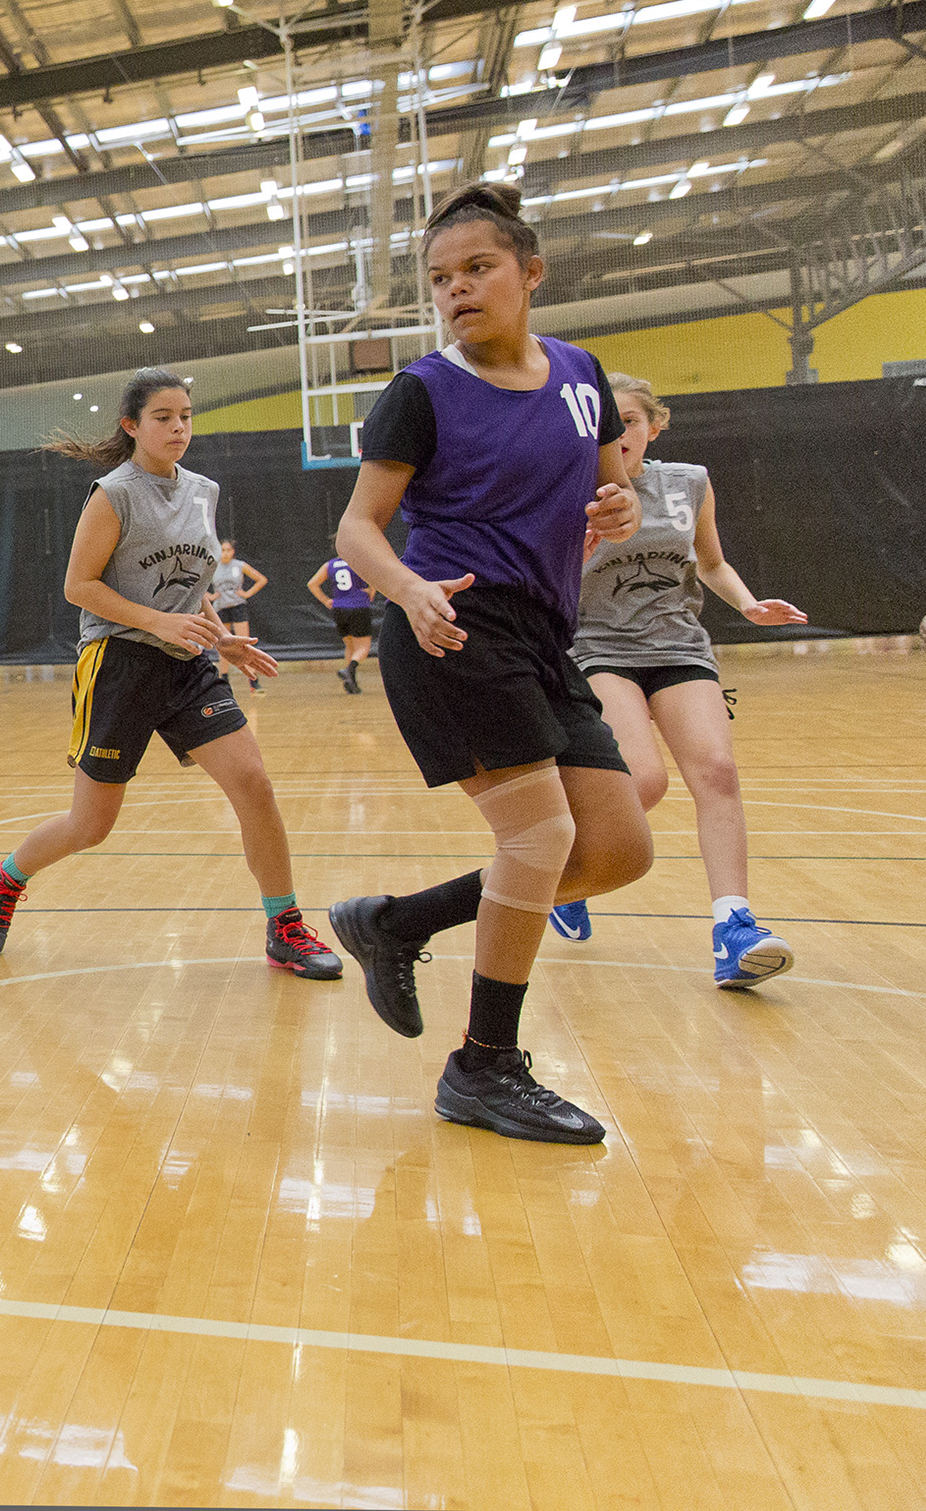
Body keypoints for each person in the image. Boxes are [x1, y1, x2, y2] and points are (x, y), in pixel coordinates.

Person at [326, 181, 655, 1146]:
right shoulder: (422, 392)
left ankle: (399, 922)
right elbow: (357, 527)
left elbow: (610, 492)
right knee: (541, 840)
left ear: (531, 273)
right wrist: (406, 588)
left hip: (545, 635)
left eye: (478, 269)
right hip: (453, 625)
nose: (457, 290)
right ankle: (485, 1065)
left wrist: (620, 507)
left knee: (618, 850)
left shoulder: (583, 374)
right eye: (440, 279)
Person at [0, 368, 341, 983]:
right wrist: (157, 624)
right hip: (119, 663)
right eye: (164, 417)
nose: (178, 428)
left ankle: (284, 926)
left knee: (254, 785)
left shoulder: (203, 491)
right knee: (92, 825)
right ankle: (3, 879)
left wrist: (222, 640)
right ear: (132, 425)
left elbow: (192, 586)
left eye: (186, 416)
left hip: (187, 661)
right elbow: (77, 587)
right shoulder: (113, 493)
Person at [557, 373, 809, 985]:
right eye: (605, 425)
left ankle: (734, 926)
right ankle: (571, 875)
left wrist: (747, 604)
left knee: (717, 771)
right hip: (600, 646)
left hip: (679, 644)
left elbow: (712, 561)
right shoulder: (566, 491)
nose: (618, 437)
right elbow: (547, 578)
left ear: (654, 426)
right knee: (641, 780)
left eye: (631, 422)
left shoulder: (689, 482)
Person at [304, 552, 379, 693]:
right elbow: (374, 577)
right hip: (358, 606)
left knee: (350, 646)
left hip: (339, 609)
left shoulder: (330, 564)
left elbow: (312, 584)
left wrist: (326, 600)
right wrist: (371, 590)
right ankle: (348, 670)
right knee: (363, 647)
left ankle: (351, 682)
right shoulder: (359, 560)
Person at [210, 540, 268, 692]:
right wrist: (209, 596)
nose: (225, 553)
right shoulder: (213, 565)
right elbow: (196, 583)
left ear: (233, 551)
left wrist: (247, 593)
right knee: (223, 644)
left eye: (228, 550)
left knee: (245, 643)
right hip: (221, 608)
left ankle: (253, 681)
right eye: (222, 550)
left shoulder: (239, 565)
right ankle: (224, 677)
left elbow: (261, 579)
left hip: (238, 607)